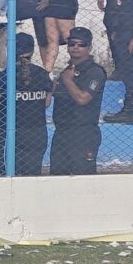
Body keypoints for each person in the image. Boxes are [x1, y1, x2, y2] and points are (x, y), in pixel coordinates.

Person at [0, 31, 52, 176]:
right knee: (32, 176)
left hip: (7, 133)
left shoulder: (6, 75)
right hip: (36, 132)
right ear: (32, 51)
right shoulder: (42, 74)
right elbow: (46, 103)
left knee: (10, 176)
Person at [49, 26, 107, 175]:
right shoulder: (67, 71)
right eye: (72, 44)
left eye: (81, 44)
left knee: (83, 178)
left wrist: (68, 81)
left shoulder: (95, 72)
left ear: (89, 48)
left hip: (82, 133)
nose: (76, 47)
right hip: (61, 132)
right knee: (57, 178)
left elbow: (82, 99)